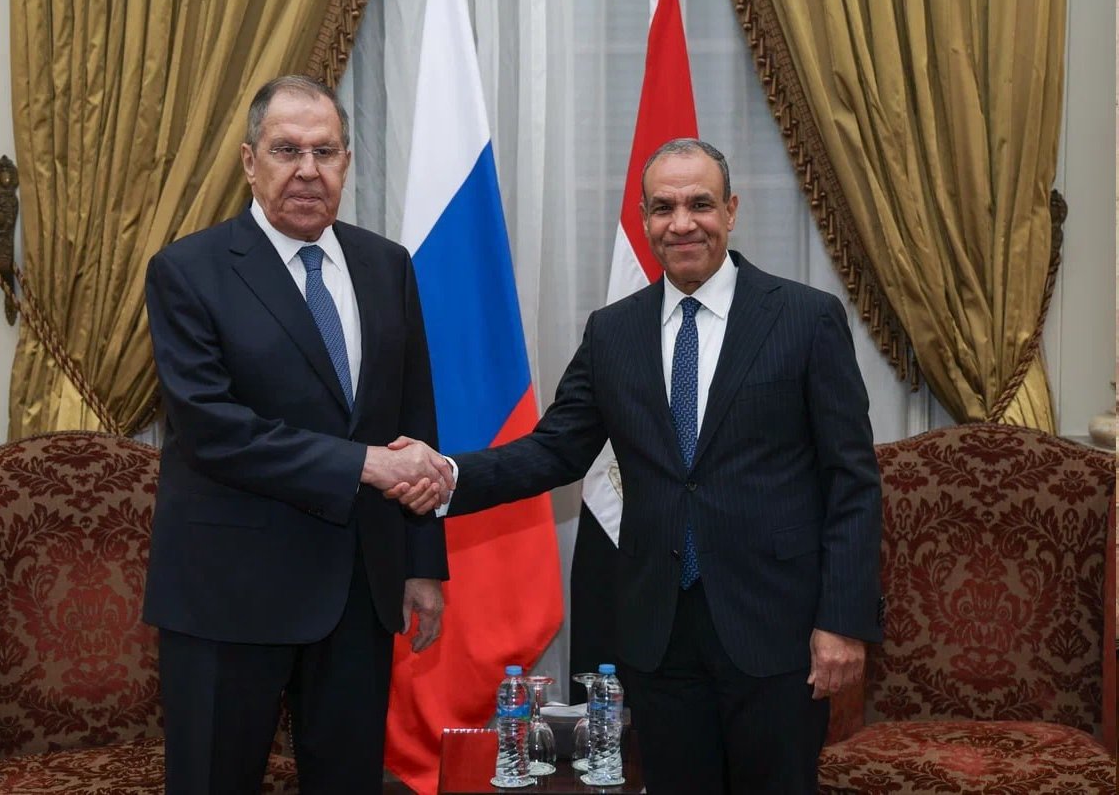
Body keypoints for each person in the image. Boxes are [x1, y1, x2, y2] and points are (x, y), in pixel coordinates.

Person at [392, 138, 883, 794]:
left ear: (731, 211)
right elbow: (555, 449)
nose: (682, 223)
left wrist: (843, 621)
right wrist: (449, 476)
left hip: (777, 629)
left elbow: (852, 481)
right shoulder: (612, 332)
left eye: (700, 204)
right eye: (663, 208)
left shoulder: (805, 318)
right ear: (645, 220)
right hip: (659, 633)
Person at [143, 74, 455, 795]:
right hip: (228, 593)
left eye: (325, 151)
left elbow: (414, 417)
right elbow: (213, 429)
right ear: (250, 161)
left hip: (359, 587)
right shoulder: (188, 271)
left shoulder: (387, 265)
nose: (308, 169)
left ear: (347, 161)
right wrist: (362, 464)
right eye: (287, 150)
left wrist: (421, 560)